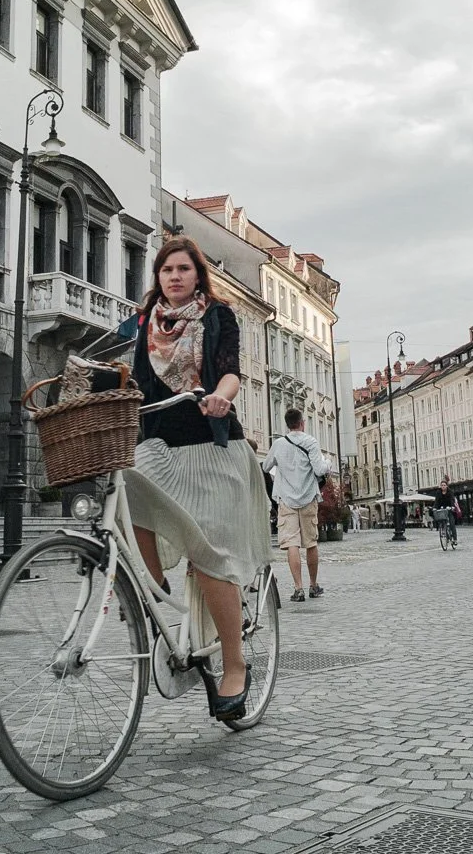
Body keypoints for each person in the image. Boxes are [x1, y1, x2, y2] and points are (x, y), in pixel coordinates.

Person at [126, 237, 270, 720]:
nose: (174, 277)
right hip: (159, 444)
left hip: (210, 445)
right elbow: (134, 381)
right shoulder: (145, 322)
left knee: (210, 558)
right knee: (129, 489)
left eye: (183, 269)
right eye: (166, 270)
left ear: (197, 275)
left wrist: (221, 397)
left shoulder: (216, 316)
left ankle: (234, 664)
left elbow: (229, 372)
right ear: (158, 277)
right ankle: (157, 594)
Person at [263, 408, 331, 603]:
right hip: (308, 496)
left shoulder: (278, 444)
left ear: (287, 424)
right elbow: (319, 468)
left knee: (292, 543)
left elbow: (266, 467)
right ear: (302, 423)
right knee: (311, 542)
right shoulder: (310, 441)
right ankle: (313, 585)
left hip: (286, 499)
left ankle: (298, 588)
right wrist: (329, 463)